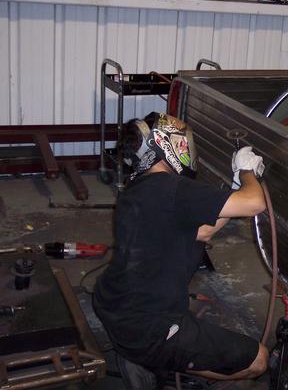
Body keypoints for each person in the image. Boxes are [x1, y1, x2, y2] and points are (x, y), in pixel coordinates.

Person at [93, 112, 269, 389]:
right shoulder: (173, 188)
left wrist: (235, 186)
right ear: (166, 145)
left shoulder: (138, 188)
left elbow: (203, 231)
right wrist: (248, 171)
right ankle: (154, 361)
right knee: (258, 360)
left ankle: (143, 354)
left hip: (114, 305)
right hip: (149, 327)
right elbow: (254, 203)